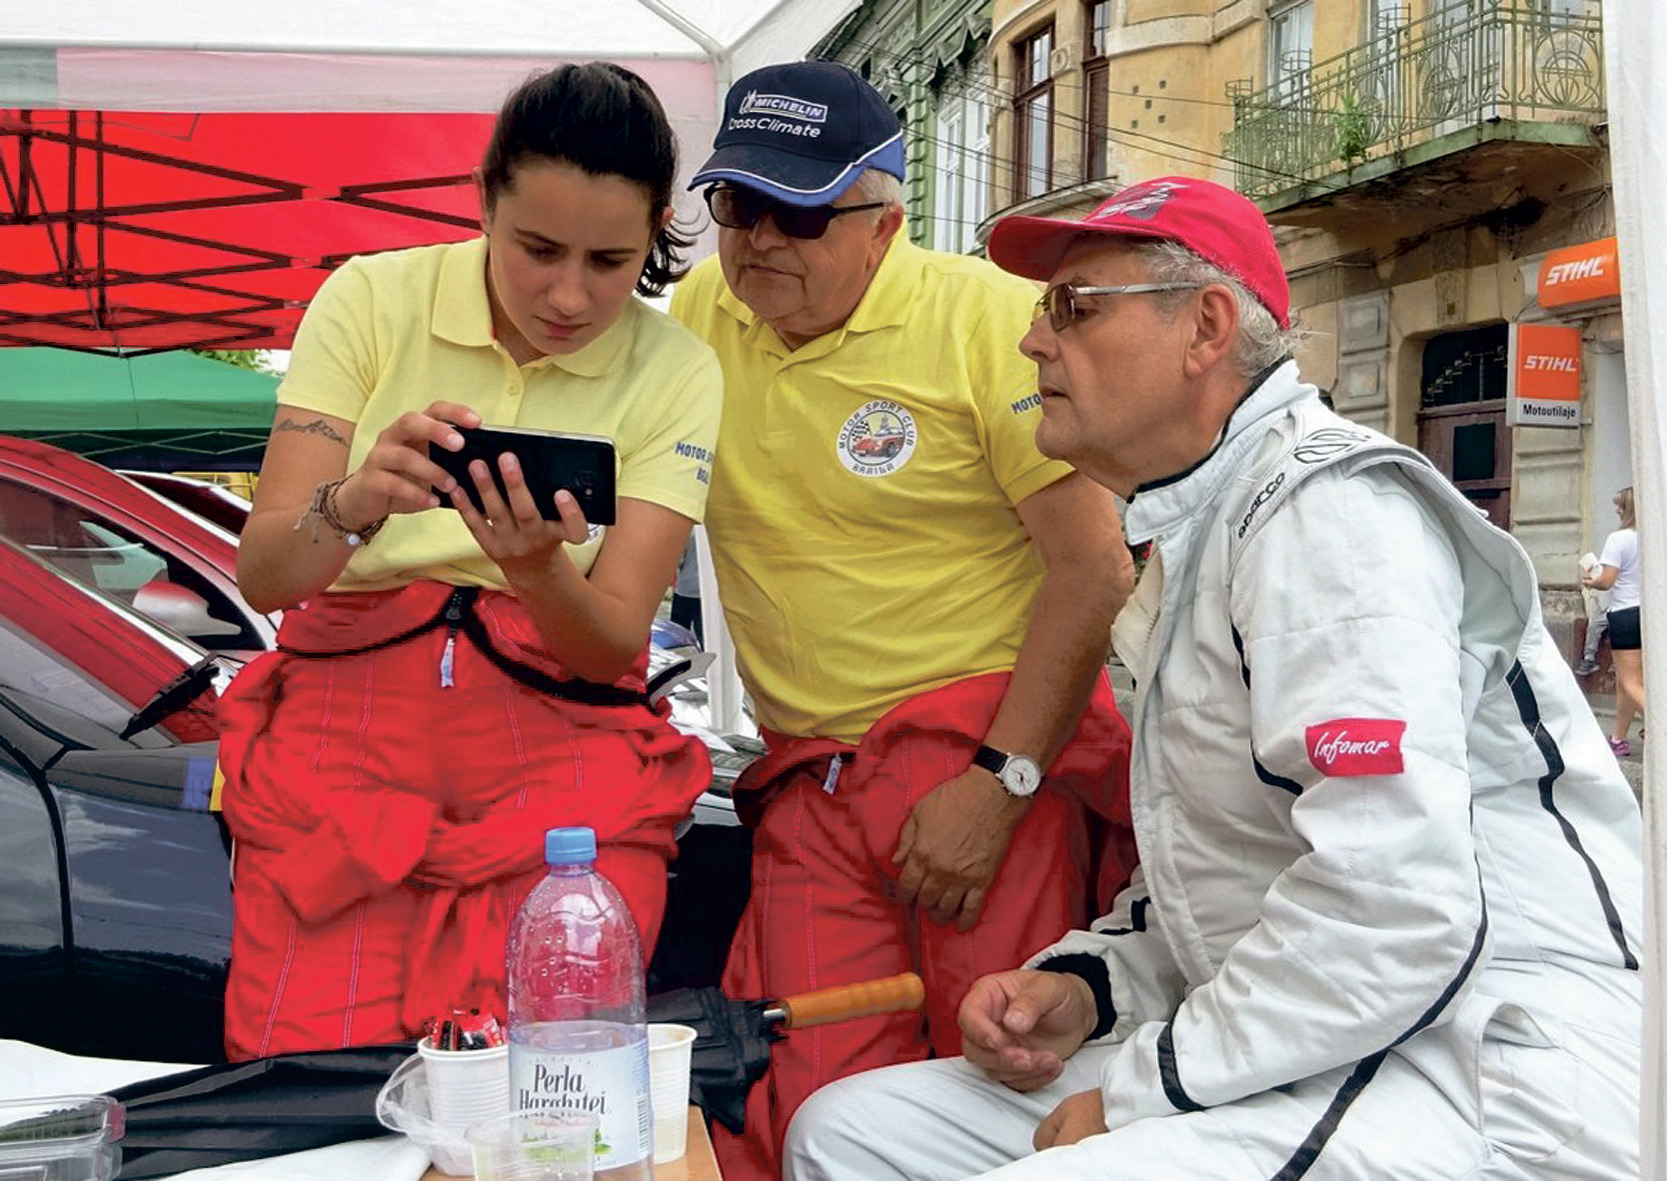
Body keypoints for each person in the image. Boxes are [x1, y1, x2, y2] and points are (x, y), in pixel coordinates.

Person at [785, 177, 1644, 1180]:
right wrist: (1090, 985)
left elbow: (1392, 905)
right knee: (847, 1129)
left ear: (1205, 326)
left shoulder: (1325, 510)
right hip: (1338, 1029)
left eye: (1071, 306)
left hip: (1495, 1058)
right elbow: (1238, 875)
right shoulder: (1201, 523)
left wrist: (1140, 1090)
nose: (1031, 340)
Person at [669, 60, 1136, 1181]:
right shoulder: (697, 316)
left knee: (1000, 1083)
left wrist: (997, 785)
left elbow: (1092, 570)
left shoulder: (986, 321)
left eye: (798, 212)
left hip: (982, 758)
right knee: (803, 1100)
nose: (758, 239)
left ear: (884, 221)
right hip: (809, 779)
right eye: (737, 203)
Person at [215, 63, 722, 1061]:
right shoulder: (370, 298)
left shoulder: (675, 367)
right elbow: (267, 573)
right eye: (536, 248)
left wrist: (537, 570)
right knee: (307, 1084)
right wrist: (354, 502)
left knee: (556, 1086)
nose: (568, 295)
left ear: (658, 231)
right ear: (483, 199)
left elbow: (611, 642)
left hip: (564, 748)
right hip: (342, 750)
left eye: (610, 260)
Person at [1584, 486, 1645, 755]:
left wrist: (1591, 581)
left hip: (1624, 614)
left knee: (1630, 682)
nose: (1617, 510)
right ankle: (1618, 739)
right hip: (1649, 614)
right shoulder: (1655, 536)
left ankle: (1660, 725)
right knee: (1626, 682)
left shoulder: (1618, 539)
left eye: (1621, 506)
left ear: (1629, 509)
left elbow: (1607, 581)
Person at [1575, 549, 1608, 676]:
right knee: (1593, 626)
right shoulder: (1588, 585)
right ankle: (1589, 659)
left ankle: (1590, 659)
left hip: (1611, 610)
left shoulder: (1600, 575)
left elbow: (1604, 600)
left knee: (1595, 625)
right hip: (1602, 613)